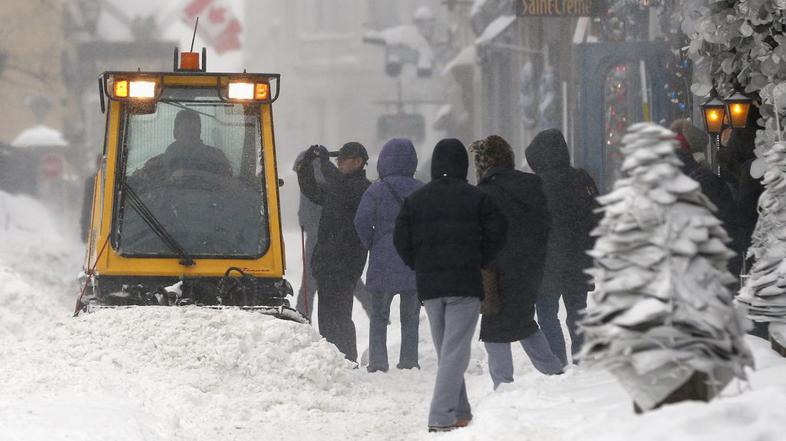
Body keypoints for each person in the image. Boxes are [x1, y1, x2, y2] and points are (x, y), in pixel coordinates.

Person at [394, 138, 507, 432]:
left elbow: (400, 239)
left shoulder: (416, 200)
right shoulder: (478, 198)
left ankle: (460, 412)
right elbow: (499, 230)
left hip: (430, 287)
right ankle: (441, 417)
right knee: (455, 351)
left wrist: (418, 264)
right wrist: (480, 258)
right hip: (464, 285)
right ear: (463, 165)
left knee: (448, 351)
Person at [470, 135, 564, 388]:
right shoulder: (533, 184)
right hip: (531, 267)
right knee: (522, 321)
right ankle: (554, 372)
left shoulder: (484, 194)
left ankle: (504, 385)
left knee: (494, 327)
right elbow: (545, 224)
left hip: (496, 271)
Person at [525, 129, 599, 366]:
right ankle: (581, 358)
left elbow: (530, 225)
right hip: (580, 259)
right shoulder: (582, 179)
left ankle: (558, 360)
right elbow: (597, 217)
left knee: (547, 314)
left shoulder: (536, 185)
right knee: (577, 312)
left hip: (548, 263)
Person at [354, 138, 424, 373]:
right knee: (411, 317)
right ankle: (408, 361)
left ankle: (378, 361)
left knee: (379, 316)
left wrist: (372, 243)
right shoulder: (422, 189)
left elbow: (361, 220)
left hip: (383, 261)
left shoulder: (377, 189)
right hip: (413, 262)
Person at [297, 142, 371, 363]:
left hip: (345, 263)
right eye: (337, 160)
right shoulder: (339, 187)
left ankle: (347, 359)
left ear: (358, 162)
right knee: (327, 318)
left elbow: (340, 188)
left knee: (340, 317)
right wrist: (305, 167)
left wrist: (325, 164)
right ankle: (335, 360)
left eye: (343, 160)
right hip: (328, 263)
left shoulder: (362, 188)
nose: (339, 164)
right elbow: (313, 192)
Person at [164, 109, 232, 177]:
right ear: (175, 133)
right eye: (186, 129)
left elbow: (227, 182)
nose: (190, 134)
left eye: (193, 130)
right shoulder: (160, 164)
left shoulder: (217, 158)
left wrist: (188, 174)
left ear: (199, 133)